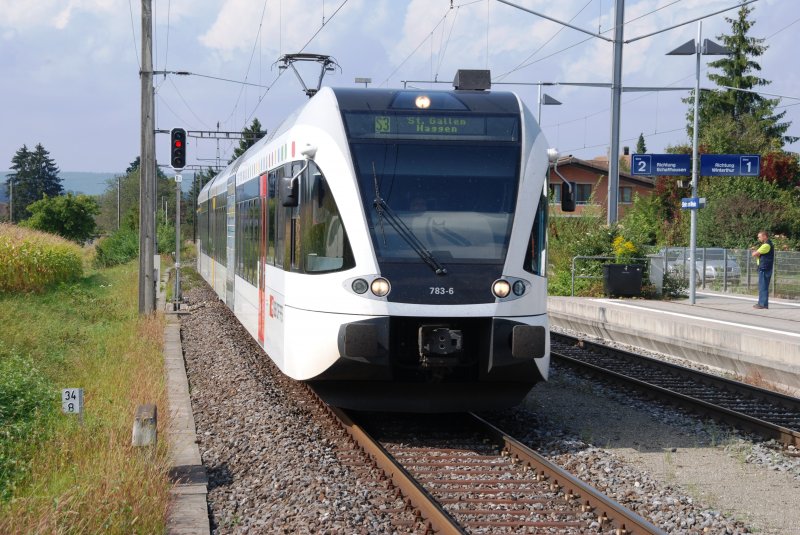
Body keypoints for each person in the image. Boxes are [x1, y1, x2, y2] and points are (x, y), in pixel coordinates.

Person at [751, 230, 774, 309]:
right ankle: (762, 303)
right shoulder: (766, 244)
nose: (758, 238)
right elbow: (758, 254)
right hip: (765, 267)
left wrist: (755, 253)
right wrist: (757, 253)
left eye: (759, 237)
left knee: (763, 286)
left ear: (764, 236)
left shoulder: (766, 245)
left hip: (764, 268)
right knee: (762, 286)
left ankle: (763, 304)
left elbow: (755, 254)